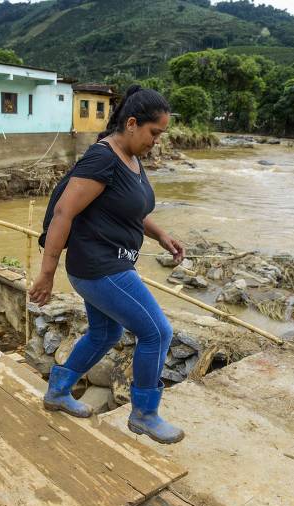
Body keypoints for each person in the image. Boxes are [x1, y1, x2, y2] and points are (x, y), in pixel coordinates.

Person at [29, 85, 185, 444]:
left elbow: (129, 209)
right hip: (99, 267)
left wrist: (161, 235)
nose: (156, 141)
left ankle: (59, 390)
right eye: (154, 133)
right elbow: (65, 214)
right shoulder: (103, 159)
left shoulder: (131, 157)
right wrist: (47, 274)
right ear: (132, 123)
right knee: (157, 332)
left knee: (107, 333)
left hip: (112, 262)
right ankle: (145, 414)